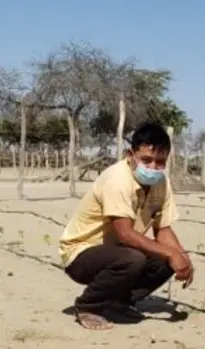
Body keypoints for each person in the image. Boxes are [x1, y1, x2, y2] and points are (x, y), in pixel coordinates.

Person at [59, 122, 194, 330]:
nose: (153, 167)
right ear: (131, 155)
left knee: (168, 258)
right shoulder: (117, 179)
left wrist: (181, 257)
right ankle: (88, 306)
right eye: (146, 160)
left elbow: (163, 229)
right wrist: (170, 253)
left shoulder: (161, 183)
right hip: (81, 253)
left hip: (118, 252)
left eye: (160, 162)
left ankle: (118, 302)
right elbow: (125, 235)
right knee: (134, 258)